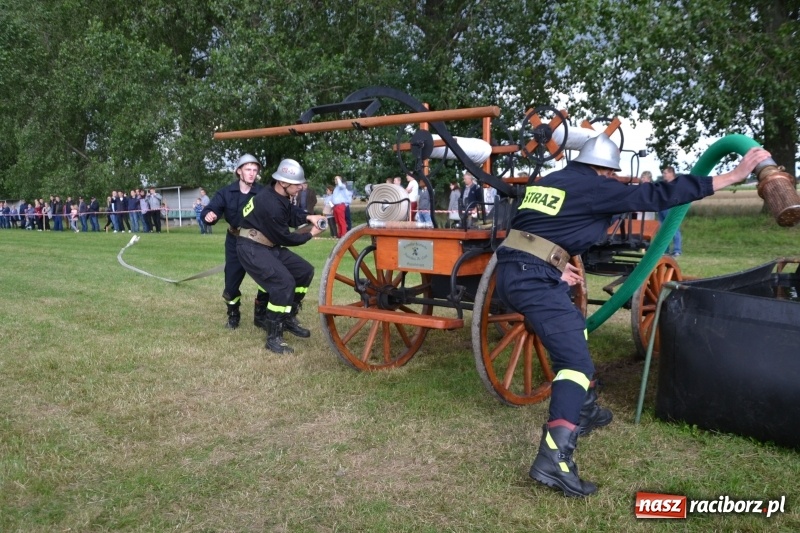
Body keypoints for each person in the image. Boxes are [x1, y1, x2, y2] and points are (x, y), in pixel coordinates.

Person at [493, 134, 772, 498]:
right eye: (612, 175)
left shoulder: (549, 182)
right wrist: (733, 176)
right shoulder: (597, 186)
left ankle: (586, 408)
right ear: (606, 170)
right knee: (574, 365)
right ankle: (554, 459)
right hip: (533, 280)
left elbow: (528, 229)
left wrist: (555, 265)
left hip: (513, 271)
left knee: (576, 329)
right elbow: (656, 195)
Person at [237, 158, 326, 354]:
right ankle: (273, 336)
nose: (301, 188)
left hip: (267, 244)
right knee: (283, 283)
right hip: (251, 247)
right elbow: (286, 237)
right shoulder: (270, 204)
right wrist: (311, 233)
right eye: (297, 185)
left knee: (304, 271)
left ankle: (288, 317)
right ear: (283, 183)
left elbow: (291, 213)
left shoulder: (278, 195)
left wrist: (308, 217)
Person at [202, 154, 267, 329]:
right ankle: (233, 315)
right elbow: (210, 209)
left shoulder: (263, 193)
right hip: (234, 242)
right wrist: (209, 215)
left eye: (255, 170)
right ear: (239, 171)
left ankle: (261, 313)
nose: (252, 173)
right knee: (230, 285)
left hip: (257, 242)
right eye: (248, 170)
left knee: (268, 278)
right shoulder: (225, 192)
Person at [658, 166, 682, 256]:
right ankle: (665, 250)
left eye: (665, 173)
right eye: (663, 173)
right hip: (662, 207)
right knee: (663, 229)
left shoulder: (677, 184)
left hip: (672, 208)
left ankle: (677, 250)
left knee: (674, 228)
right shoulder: (663, 185)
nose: (663, 175)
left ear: (671, 173)